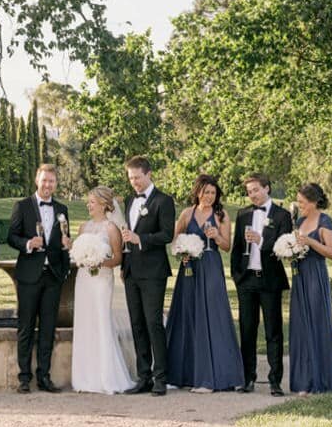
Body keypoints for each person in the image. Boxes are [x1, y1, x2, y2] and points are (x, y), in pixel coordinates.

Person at [165, 174, 245, 392]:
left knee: (211, 316)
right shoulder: (186, 214)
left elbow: (227, 246)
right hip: (189, 270)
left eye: (213, 192)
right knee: (186, 315)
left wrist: (217, 236)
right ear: (197, 191)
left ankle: (211, 377)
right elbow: (174, 240)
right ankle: (178, 374)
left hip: (210, 267)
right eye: (206, 192)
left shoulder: (221, 215)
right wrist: (181, 251)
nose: (209, 196)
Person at [7, 164, 72, 393]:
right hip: (28, 276)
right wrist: (27, 244)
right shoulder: (22, 206)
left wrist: (66, 251)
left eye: (51, 181)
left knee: (48, 328)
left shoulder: (62, 209)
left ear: (56, 183)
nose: (47, 185)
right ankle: (24, 378)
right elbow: (11, 236)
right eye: (44, 180)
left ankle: (44, 377)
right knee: (25, 327)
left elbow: (65, 239)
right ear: (37, 180)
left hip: (52, 277)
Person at [119, 154, 177, 396]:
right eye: (131, 178)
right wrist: (124, 265)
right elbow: (127, 236)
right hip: (131, 270)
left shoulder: (163, 201)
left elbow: (166, 235)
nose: (134, 182)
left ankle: (160, 377)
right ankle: (143, 377)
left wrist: (140, 239)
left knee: (153, 323)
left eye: (138, 177)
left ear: (148, 173)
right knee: (137, 324)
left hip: (153, 271)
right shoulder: (131, 201)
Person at [230, 172, 292, 396]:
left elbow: (285, 246)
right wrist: (237, 276)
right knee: (247, 330)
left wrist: (262, 240)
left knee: (273, 331)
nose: (252, 195)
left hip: (270, 281)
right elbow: (237, 247)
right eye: (249, 192)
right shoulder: (243, 214)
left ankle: (275, 381)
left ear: (267, 188)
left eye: (255, 190)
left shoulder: (282, 215)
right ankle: (248, 378)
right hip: (246, 281)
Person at [70, 186, 136, 394]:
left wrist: (99, 262)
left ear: (103, 205)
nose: (88, 205)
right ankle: (84, 378)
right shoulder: (83, 227)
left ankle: (107, 378)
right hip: (83, 281)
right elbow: (75, 255)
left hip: (101, 281)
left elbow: (117, 257)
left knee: (101, 323)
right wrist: (78, 255)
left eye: (92, 202)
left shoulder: (111, 229)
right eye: (88, 202)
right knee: (84, 324)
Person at [289, 182, 332, 394]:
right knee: (300, 327)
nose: (299, 205)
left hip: (315, 277)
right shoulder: (299, 221)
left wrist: (310, 241)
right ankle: (303, 381)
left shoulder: (325, 221)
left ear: (314, 202)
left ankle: (320, 380)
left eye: (302, 202)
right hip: (299, 277)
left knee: (316, 325)